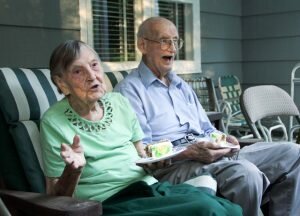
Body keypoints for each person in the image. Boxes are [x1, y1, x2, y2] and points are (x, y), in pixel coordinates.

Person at [114, 16, 300, 216]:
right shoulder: (130, 90)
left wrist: (224, 140)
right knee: (245, 173)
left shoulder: (181, 86)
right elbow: (145, 152)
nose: (173, 49)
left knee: (293, 152)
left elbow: (207, 129)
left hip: (211, 154)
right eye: (164, 41)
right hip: (175, 166)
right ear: (143, 45)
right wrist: (188, 152)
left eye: (176, 41)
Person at [39, 39, 242, 216]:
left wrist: (159, 158)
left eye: (94, 65)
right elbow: (56, 198)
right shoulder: (53, 122)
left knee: (230, 209)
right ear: (61, 82)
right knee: (207, 210)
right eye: (78, 71)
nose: (92, 76)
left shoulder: (118, 102)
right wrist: (73, 171)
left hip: (148, 187)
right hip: (109, 203)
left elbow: (142, 155)